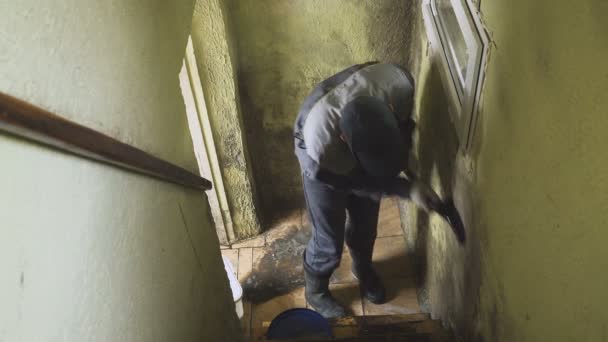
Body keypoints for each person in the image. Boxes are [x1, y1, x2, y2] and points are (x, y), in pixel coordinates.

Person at [293, 62, 441, 318]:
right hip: (320, 163)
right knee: (328, 240)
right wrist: (407, 190)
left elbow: (402, 135)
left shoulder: (399, 86)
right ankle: (315, 292)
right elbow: (356, 184)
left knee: (366, 224)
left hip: (355, 141)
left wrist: (411, 179)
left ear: (390, 108)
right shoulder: (320, 148)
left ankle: (363, 267)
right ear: (344, 140)